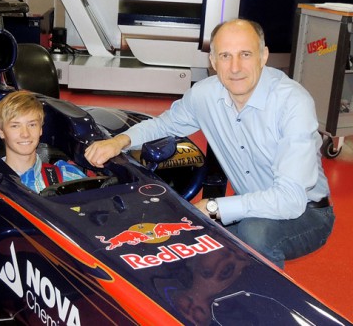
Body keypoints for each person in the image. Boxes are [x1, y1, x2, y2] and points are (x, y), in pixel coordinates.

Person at [84, 18, 334, 268]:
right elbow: (164, 124)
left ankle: (266, 304)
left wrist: (215, 207)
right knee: (186, 243)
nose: (235, 67)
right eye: (225, 56)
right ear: (213, 62)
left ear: (264, 56)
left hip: (307, 212)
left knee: (255, 235)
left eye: (245, 54)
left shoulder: (292, 103)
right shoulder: (205, 95)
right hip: (250, 203)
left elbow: (290, 199)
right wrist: (119, 141)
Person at [0, 90, 86, 193]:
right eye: (15, 126)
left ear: (40, 129)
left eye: (32, 125)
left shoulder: (66, 176)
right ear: (1, 132)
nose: (25, 134)